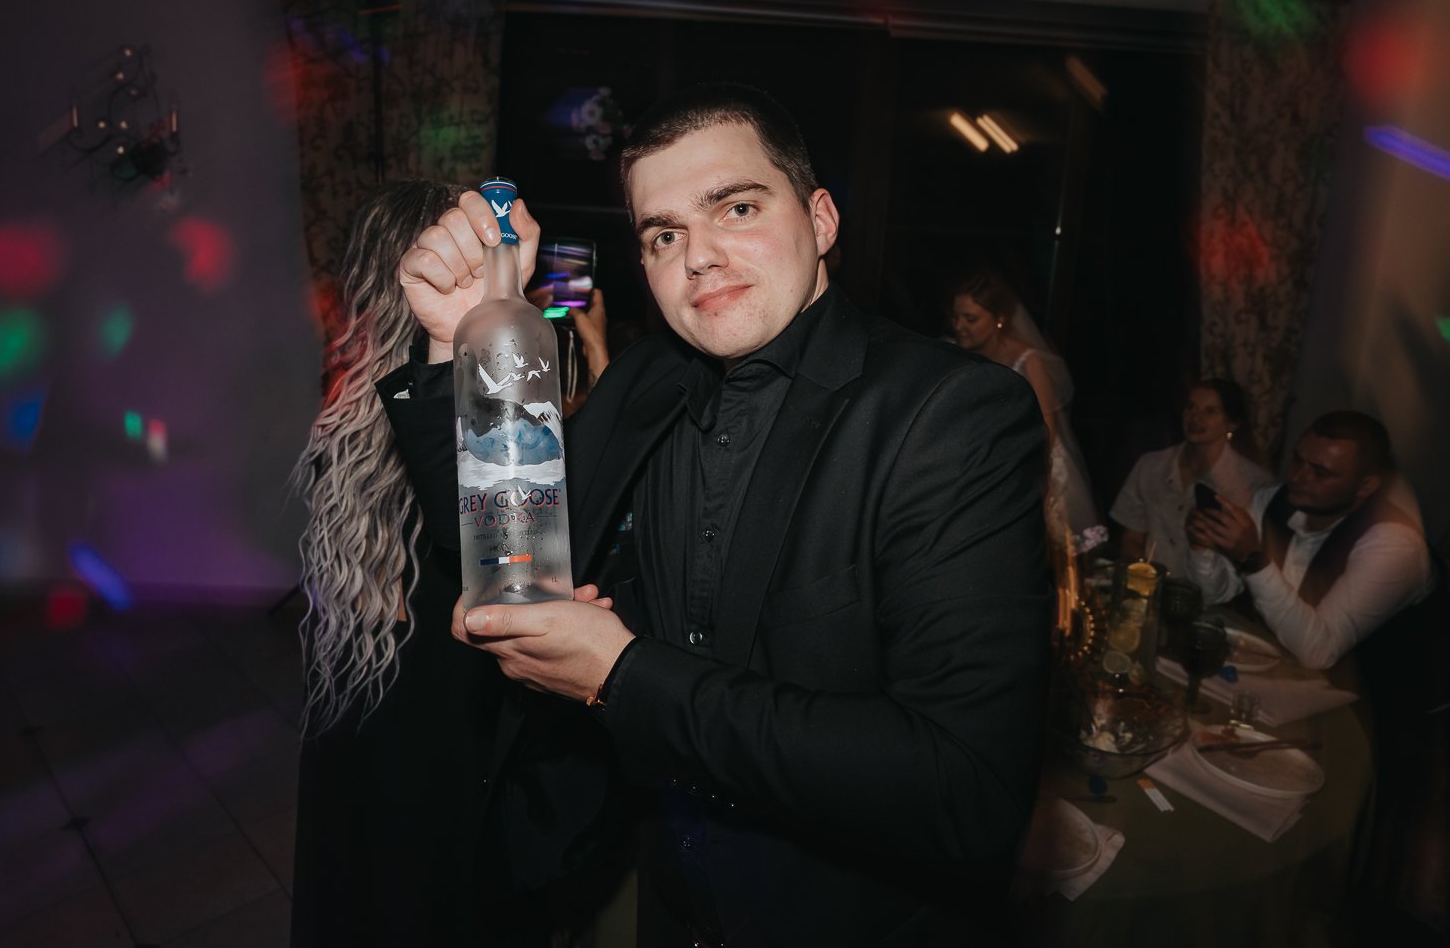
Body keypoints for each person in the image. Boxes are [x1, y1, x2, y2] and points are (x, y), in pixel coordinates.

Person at [390, 83, 1052, 945]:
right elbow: (498, 539)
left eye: (736, 207)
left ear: (821, 220)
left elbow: (965, 792)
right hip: (670, 897)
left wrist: (620, 676)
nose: (697, 256)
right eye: (663, 235)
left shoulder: (951, 414)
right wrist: (456, 341)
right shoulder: (646, 379)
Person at [290, 180, 612, 947]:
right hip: (448, 712)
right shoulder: (456, 408)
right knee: (439, 892)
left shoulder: (352, 409)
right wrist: (596, 355)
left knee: (363, 888)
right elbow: (530, 509)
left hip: (365, 704)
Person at [1183, 410, 1434, 670]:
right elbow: (1215, 595)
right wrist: (1203, 548)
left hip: (1366, 687)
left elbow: (1319, 652)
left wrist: (1254, 560)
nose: (1297, 477)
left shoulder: (1394, 546)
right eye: (1297, 460)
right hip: (1276, 670)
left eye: (1320, 472)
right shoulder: (1272, 501)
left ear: (1365, 486)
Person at [948, 269, 1104, 554]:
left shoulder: (1028, 361)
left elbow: (1046, 425)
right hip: (976, 461)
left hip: (1029, 462)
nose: (960, 326)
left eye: (971, 319)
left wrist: (1034, 481)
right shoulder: (953, 352)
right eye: (955, 317)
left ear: (999, 319)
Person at [1110, 379, 1275, 573]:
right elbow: (1132, 538)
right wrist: (1145, 576)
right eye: (1190, 407)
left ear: (1231, 423)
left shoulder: (1254, 483)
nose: (1195, 418)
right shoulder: (1151, 465)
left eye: (1210, 411)